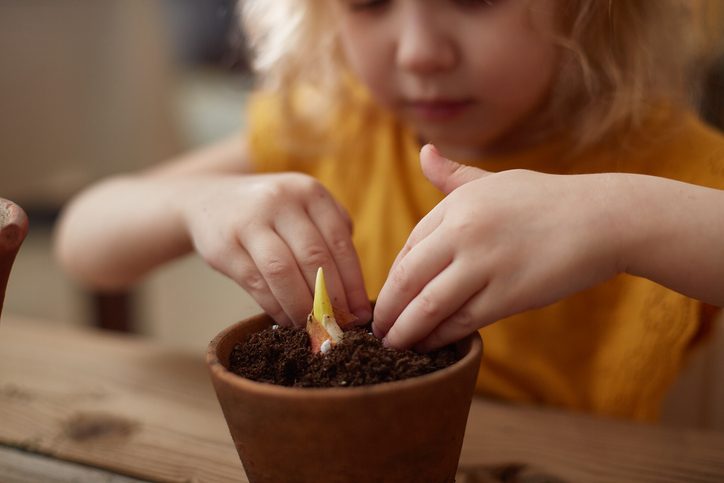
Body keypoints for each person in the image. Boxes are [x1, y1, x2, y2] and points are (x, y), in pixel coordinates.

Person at [55, 0, 724, 420]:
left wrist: (623, 216)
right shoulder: (334, 124)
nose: (419, 51)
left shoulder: (656, 156)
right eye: (369, 2)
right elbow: (83, 239)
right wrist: (193, 203)